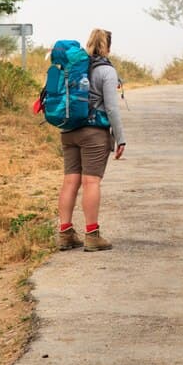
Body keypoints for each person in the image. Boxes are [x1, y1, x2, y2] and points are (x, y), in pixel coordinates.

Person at [57, 28, 126, 252]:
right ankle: (92, 235)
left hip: (69, 130)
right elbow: (112, 108)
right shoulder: (106, 70)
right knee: (91, 182)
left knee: (70, 181)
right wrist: (120, 138)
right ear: (109, 46)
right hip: (93, 132)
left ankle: (65, 233)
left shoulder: (76, 66)